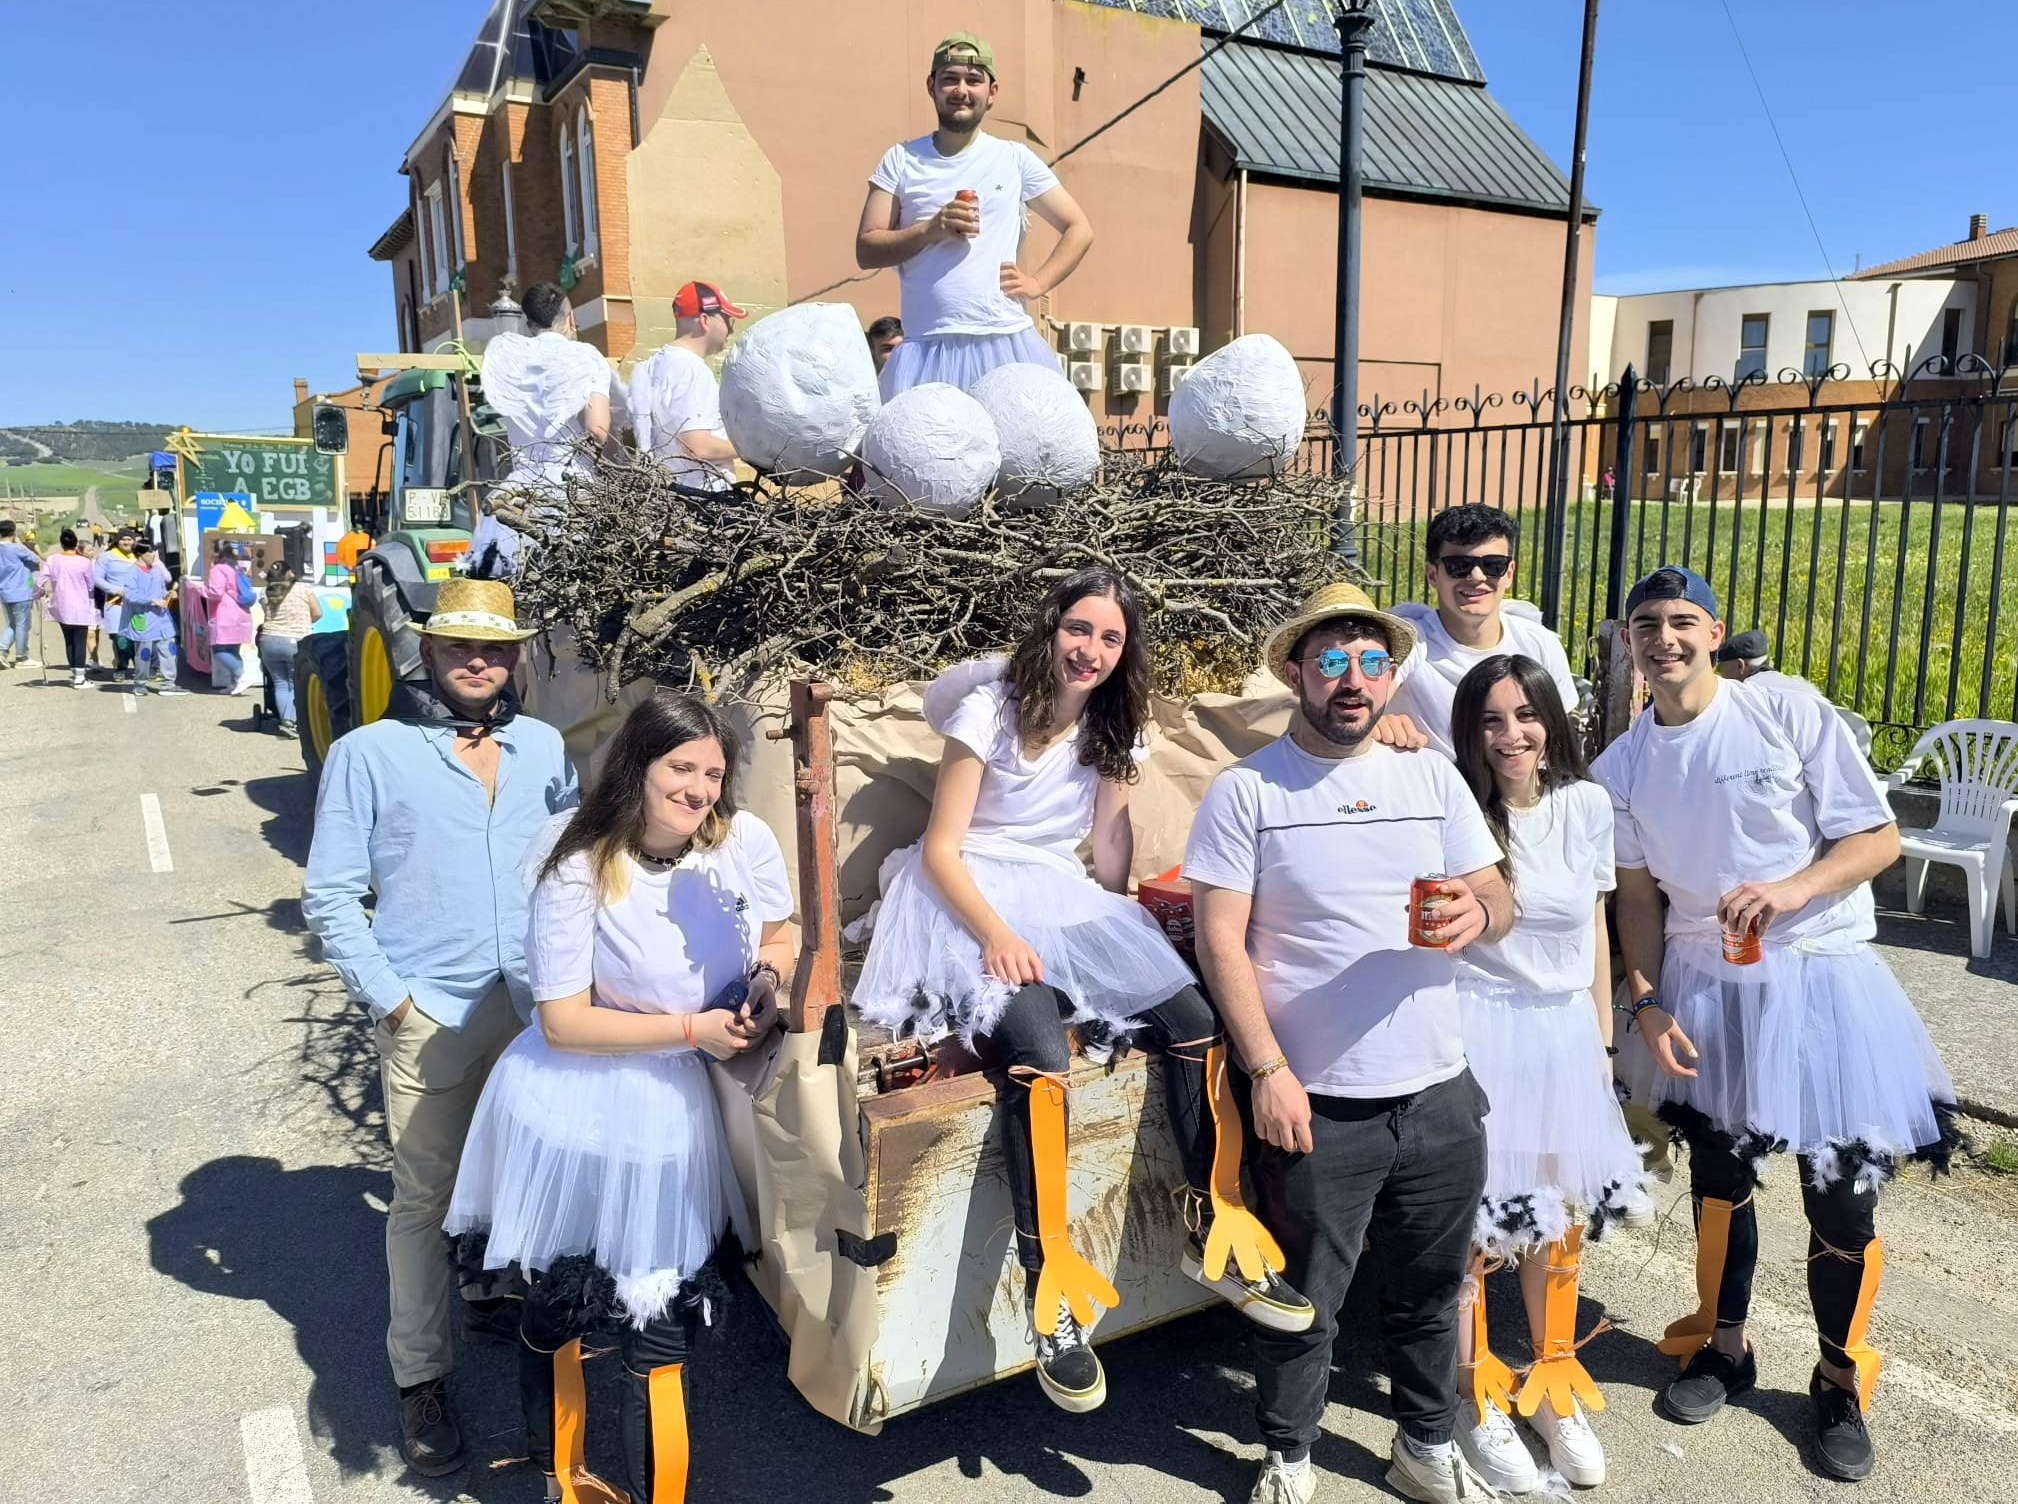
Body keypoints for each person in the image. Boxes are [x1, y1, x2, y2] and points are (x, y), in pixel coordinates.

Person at [852, 566, 1310, 1415]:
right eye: (1079, 629)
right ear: (1050, 627)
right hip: (962, 894)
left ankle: (1215, 1219)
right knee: (1032, 1043)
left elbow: (1106, 840)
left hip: (1056, 891)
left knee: (1193, 1018)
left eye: (1110, 638)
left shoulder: (1115, 722)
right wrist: (996, 936)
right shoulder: (989, 709)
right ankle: (1052, 1287)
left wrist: (1125, 926)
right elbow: (944, 846)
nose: (1091, 650)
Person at [1593, 566, 1957, 1484]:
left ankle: (1838, 1379)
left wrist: (1790, 890)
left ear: (1714, 633)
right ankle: (1725, 1347)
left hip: (1822, 982)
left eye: (1683, 622)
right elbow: (1635, 899)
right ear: (1629, 643)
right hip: (1702, 993)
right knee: (1720, 1180)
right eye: (1646, 625)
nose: (1664, 638)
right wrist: (1645, 997)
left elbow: (1876, 839)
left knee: (1839, 1194)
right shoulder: (1621, 767)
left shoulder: (1785, 709)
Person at [1184, 583, 1517, 1504]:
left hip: (1440, 1091)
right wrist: (1267, 1071)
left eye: (1372, 662)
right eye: (1330, 661)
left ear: (1393, 675)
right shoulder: (1246, 791)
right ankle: (1289, 1456)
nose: (1353, 681)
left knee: (1430, 1289)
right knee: (1302, 1302)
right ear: (1294, 672)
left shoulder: (1431, 775)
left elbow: (1501, 897)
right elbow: (1222, 942)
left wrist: (1476, 912)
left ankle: (1423, 1445)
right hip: (1318, 1099)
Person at [447, 692, 791, 1503]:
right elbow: (562, 1022)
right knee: (560, 1307)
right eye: (681, 767)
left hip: (674, 1102)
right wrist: (693, 1028)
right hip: (576, 1101)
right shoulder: (581, 865)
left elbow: (783, 928)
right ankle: (557, 1476)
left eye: (713, 772)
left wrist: (769, 981)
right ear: (637, 765)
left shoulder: (740, 841)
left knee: (656, 1329)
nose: (700, 788)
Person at [303, 578, 581, 1477]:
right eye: (461, 645)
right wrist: (391, 998)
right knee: (421, 1202)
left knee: (523, 1176)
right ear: (425, 651)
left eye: (496, 648)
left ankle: (494, 1289)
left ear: (515, 658)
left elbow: (570, 868)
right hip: (431, 1010)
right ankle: (422, 1378)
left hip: (537, 1007)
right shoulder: (368, 753)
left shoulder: (543, 747)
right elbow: (330, 893)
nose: (478, 660)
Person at [1443, 654, 1650, 1494]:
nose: (1510, 736)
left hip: (1565, 1032)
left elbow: (1595, 932)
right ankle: (1474, 1392)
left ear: (1551, 720)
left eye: (1524, 716)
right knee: (1472, 1224)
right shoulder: (1453, 809)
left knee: (1557, 1218)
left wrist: (1601, 1049)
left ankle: (1551, 1384)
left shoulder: (1588, 804)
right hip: (1476, 1030)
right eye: (1490, 720)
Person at [856, 33, 1094, 399]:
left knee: (1015, 454)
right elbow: (867, 248)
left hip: (1005, 342)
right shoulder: (901, 159)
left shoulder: (1015, 158)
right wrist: (930, 230)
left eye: (973, 80)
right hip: (925, 350)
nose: (961, 90)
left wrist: (1039, 283)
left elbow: (1079, 228)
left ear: (992, 92)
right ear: (932, 86)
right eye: (950, 78)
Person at [1386, 504, 1577, 757]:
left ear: (1509, 573)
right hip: (1434, 793)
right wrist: (1375, 724)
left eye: (1493, 565)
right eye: (1459, 565)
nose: (1476, 576)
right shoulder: (1410, 643)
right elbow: (1360, 707)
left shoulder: (1539, 643)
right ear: (1432, 574)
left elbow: (1559, 740)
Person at [473, 282, 616, 578]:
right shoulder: (586, 357)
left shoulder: (508, 357)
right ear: (571, 318)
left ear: (528, 323)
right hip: (571, 489)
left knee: (512, 593)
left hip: (519, 490)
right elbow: (598, 429)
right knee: (578, 588)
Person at [628, 281, 745, 492]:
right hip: (703, 498)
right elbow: (696, 446)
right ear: (705, 320)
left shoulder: (651, 366)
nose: (730, 329)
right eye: (727, 319)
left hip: (670, 496)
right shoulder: (691, 371)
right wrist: (750, 449)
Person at [257, 562, 326, 737]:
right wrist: (304, 622)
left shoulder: (264, 592)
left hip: (269, 640)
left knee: (280, 683)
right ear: (289, 573)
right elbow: (317, 612)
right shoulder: (303, 589)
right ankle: (291, 722)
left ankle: (287, 721)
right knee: (295, 683)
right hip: (295, 641)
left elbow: (268, 613)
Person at [117, 542, 183, 696]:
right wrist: (152, 600)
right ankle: (140, 684)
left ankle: (169, 684)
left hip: (162, 618)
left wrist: (168, 594)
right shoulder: (131, 572)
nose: (153, 555)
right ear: (140, 554)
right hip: (143, 618)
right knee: (144, 653)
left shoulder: (157, 571)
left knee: (170, 649)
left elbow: (159, 589)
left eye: (154, 552)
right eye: (150, 552)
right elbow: (131, 595)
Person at [38, 529, 98, 686]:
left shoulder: (52, 560)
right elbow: (91, 585)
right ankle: (80, 677)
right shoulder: (84, 562)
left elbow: (40, 580)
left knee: (69, 640)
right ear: (76, 545)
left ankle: (74, 672)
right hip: (80, 606)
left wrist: (36, 594)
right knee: (79, 640)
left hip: (61, 606)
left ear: (61, 544)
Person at [205, 540, 258, 695]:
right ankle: (235, 682)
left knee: (219, 650)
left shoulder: (218, 569)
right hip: (241, 614)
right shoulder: (236, 569)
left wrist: (201, 590)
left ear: (217, 553)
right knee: (233, 650)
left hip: (224, 614)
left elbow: (215, 593)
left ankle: (242, 676)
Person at [93, 524, 140, 677]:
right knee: (120, 637)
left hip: (137, 603)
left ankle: (139, 666)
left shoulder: (139, 555)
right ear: (117, 541)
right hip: (115, 603)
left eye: (129, 539)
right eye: (123, 539)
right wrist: (115, 589)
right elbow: (97, 578)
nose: (126, 542)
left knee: (137, 636)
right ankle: (121, 666)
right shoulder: (107, 556)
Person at [0, 519, 42, 670]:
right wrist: (18, 542)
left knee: (13, 624)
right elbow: (35, 558)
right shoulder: (17, 548)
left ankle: (2, 651)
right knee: (23, 625)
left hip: (4, 591)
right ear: (13, 532)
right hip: (20, 591)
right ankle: (22, 657)